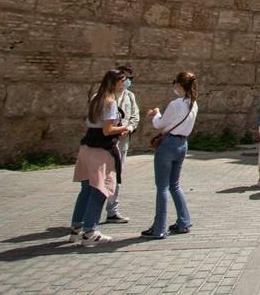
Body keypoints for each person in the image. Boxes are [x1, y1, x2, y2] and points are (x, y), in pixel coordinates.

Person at [69, 69, 130, 246]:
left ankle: (76, 229)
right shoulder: (110, 101)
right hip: (101, 149)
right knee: (100, 190)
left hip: (87, 146)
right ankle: (90, 232)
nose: (124, 84)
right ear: (114, 83)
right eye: (122, 81)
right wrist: (123, 128)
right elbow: (107, 129)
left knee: (86, 190)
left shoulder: (96, 96)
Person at [141, 70, 199, 238]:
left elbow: (160, 124)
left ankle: (159, 228)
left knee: (162, 187)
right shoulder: (193, 104)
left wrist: (156, 113)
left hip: (168, 145)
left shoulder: (176, 104)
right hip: (183, 144)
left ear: (179, 85)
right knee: (175, 185)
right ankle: (184, 221)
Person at [104, 64, 138, 223]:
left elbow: (135, 117)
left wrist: (128, 128)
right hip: (104, 144)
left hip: (122, 143)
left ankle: (112, 210)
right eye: (124, 78)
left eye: (129, 78)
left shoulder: (130, 96)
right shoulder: (105, 97)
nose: (127, 81)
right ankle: (89, 215)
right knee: (99, 178)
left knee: (116, 176)